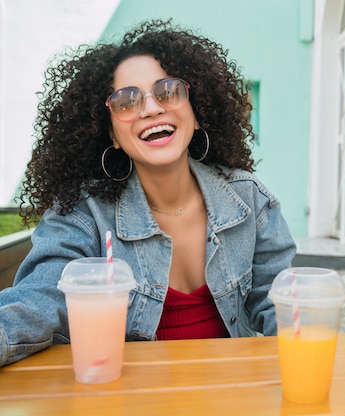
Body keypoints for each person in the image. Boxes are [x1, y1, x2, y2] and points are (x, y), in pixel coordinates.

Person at [0, 19, 296, 366]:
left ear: (196, 112)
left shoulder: (250, 201)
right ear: (110, 133)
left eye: (168, 91)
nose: (152, 108)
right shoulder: (83, 215)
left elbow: (285, 309)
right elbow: (39, 300)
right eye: (126, 100)